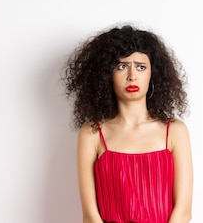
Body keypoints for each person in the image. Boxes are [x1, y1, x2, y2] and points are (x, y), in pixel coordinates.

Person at [62, 24, 193, 223]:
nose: (132, 75)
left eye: (141, 67)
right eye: (122, 66)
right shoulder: (92, 133)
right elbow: (90, 216)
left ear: (152, 74)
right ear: (107, 75)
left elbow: (183, 212)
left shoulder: (174, 131)